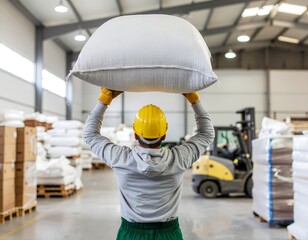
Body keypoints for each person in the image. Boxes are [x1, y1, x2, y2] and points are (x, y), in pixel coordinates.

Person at [83, 87, 214, 240]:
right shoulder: (179, 158)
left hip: (131, 234)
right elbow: (206, 133)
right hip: (169, 234)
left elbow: (90, 134)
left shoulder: (121, 159)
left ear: (135, 134)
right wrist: (194, 100)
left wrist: (104, 100)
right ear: (164, 134)